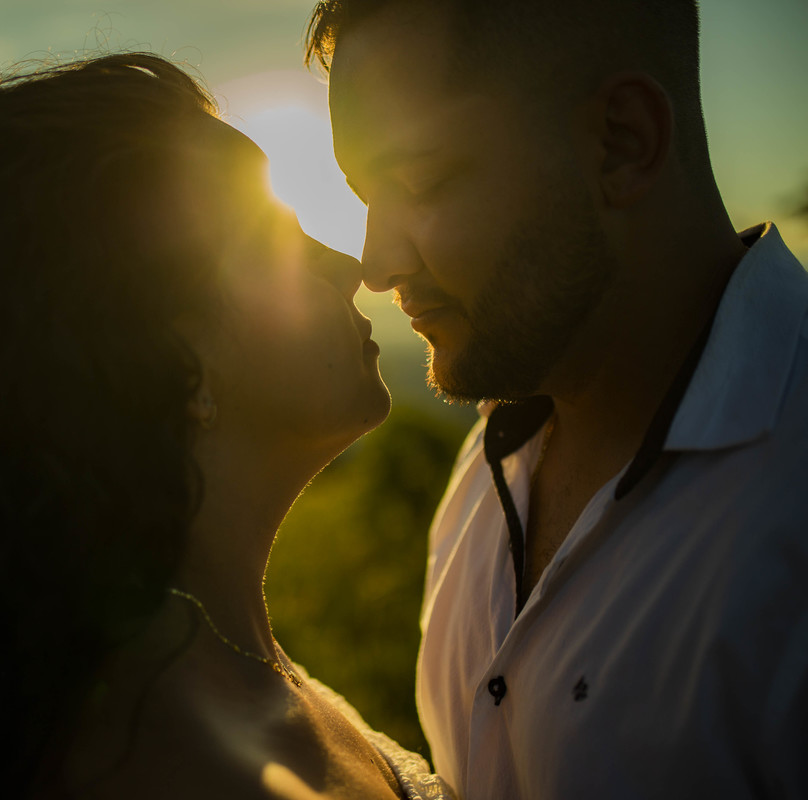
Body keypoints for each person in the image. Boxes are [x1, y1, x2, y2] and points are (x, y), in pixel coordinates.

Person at [0, 53, 455, 799]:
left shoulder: (226, 666)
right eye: (274, 239)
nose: (347, 264)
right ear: (171, 357)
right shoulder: (190, 769)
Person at [305, 0, 808, 797]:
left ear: (623, 142)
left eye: (421, 181)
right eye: (367, 196)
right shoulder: (487, 464)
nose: (376, 263)